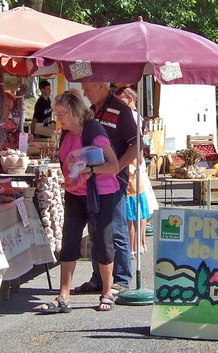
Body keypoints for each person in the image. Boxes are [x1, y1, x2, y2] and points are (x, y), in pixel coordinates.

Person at [34, 89, 121, 313]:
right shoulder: (66, 132)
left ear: (74, 112)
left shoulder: (94, 131)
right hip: (75, 193)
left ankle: (107, 291)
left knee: (102, 241)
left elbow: (114, 166)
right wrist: (70, 180)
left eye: (61, 114)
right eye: (57, 113)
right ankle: (63, 296)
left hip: (100, 193)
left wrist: (90, 169)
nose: (58, 118)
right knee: (70, 240)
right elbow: (68, 163)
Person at [75, 81, 138, 295]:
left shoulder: (120, 109)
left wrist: (118, 166)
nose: (85, 92)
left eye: (87, 88)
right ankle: (99, 278)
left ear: (101, 85)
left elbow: (137, 144)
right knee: (96, 229)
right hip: (94, 178)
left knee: (116, 227)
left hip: (114, 179)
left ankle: (121, 278)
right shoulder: (91, 111)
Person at [114, 86, 152, 259]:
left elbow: (137, 144)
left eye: (121, 100)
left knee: (132, 213)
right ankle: (140, 245)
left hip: (132, 168)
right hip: (135, 166)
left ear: (130, 99)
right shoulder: (134, 116)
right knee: (138, 211)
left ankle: (134, 248)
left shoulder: (132, 117)